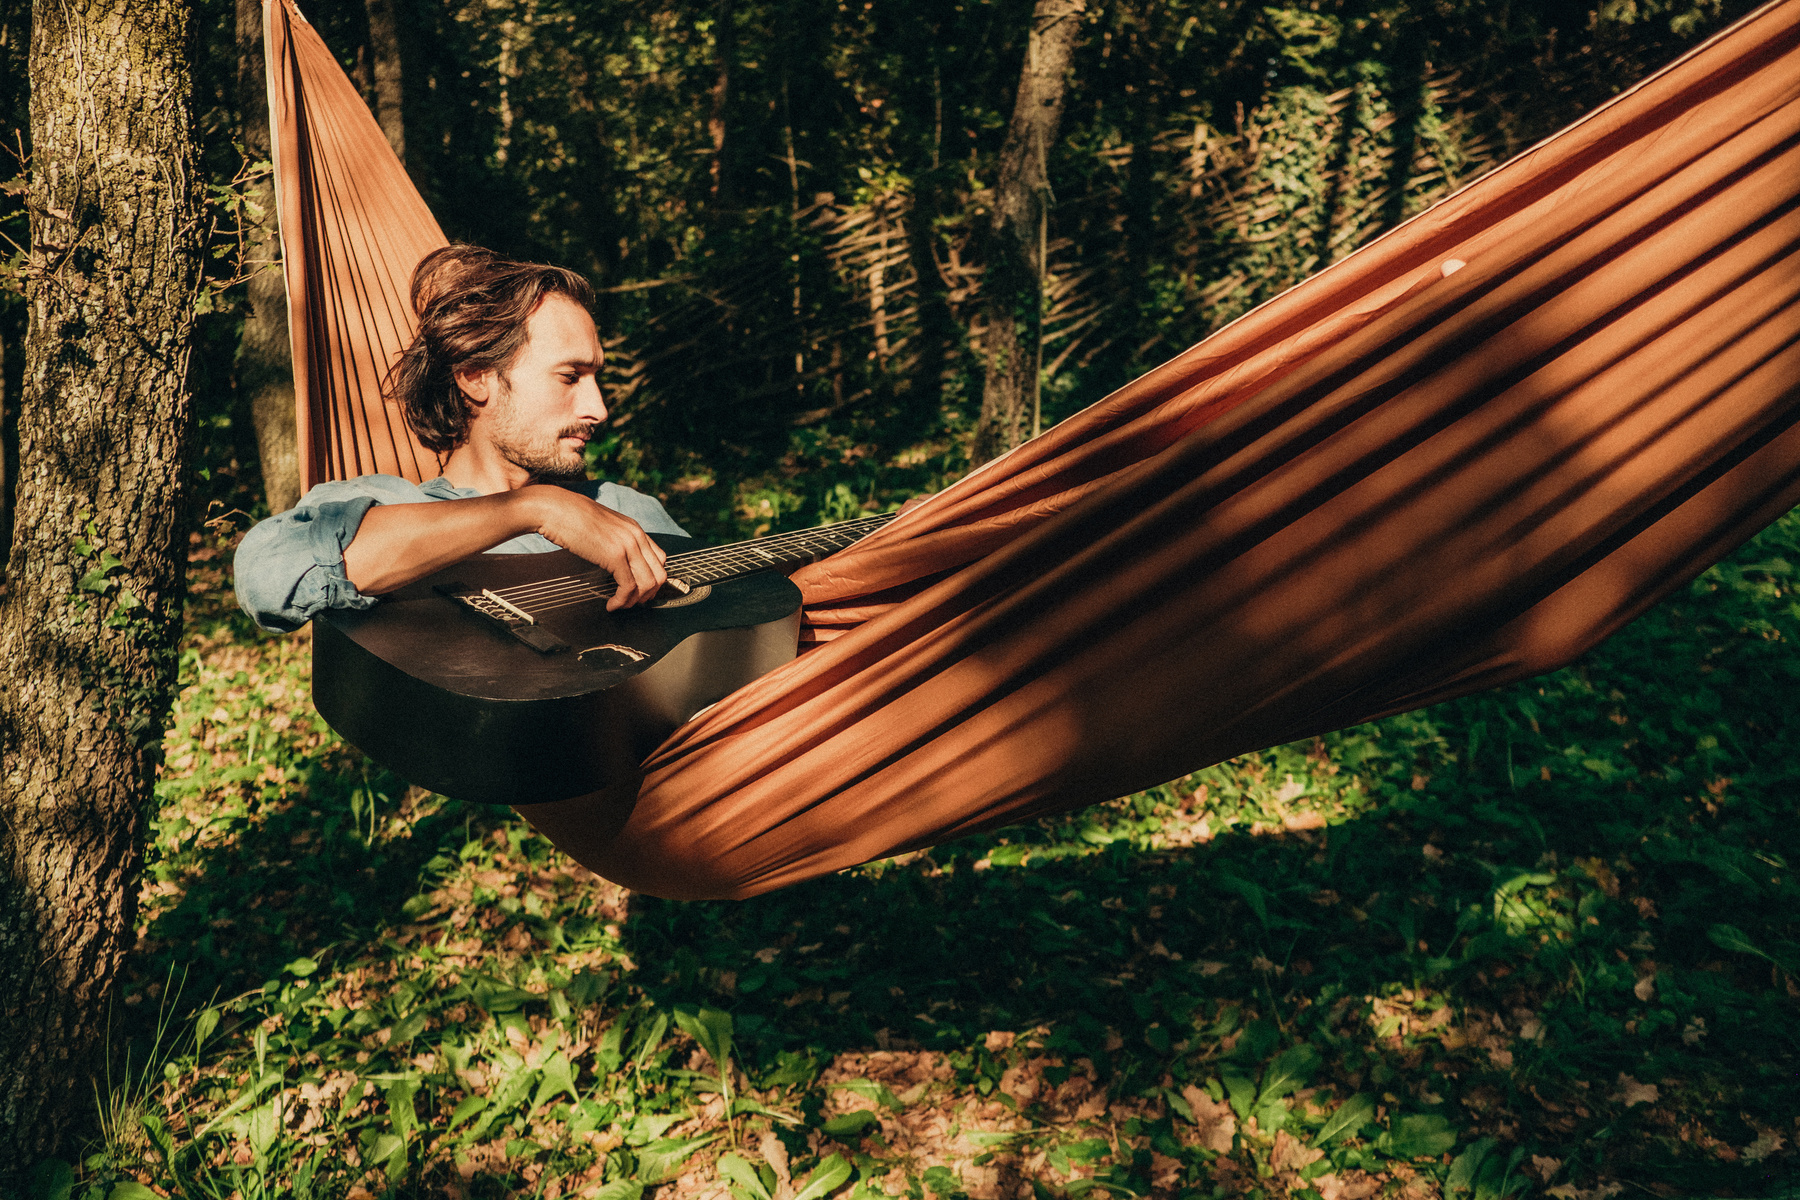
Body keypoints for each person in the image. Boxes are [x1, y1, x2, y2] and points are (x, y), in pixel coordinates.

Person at [235, 245, 681, 633]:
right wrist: (537, 509)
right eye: (570, 377)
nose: (598, 409)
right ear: (475, 377)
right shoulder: (383, 504)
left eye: (594, 378)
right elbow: (269, 576)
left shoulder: (624, 511)